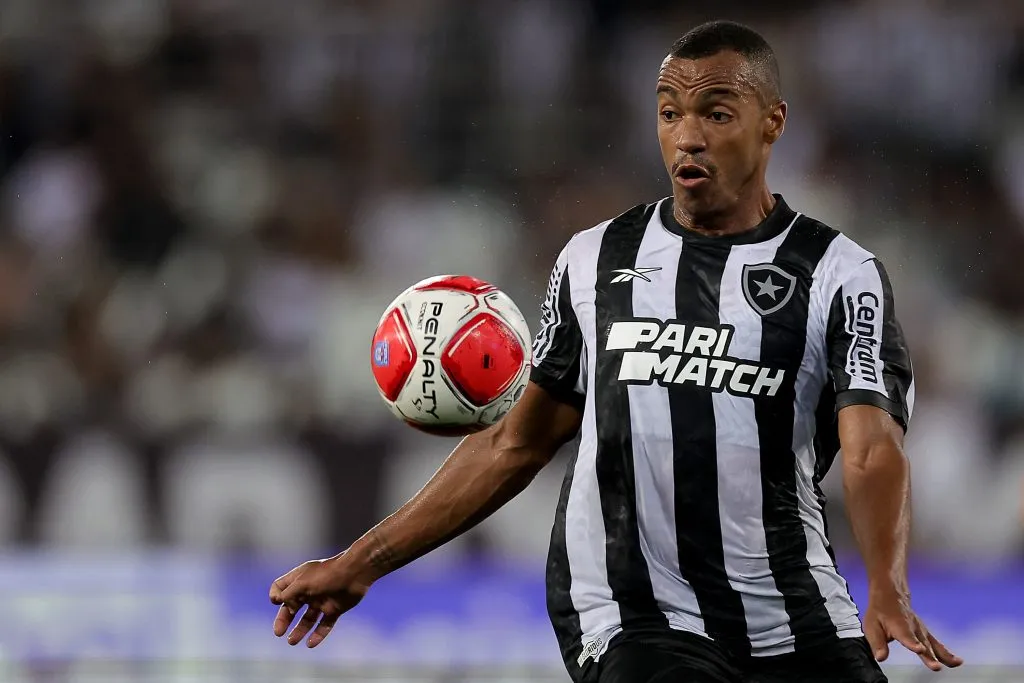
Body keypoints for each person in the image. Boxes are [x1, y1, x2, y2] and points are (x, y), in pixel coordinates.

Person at [269, 20, 964, 683]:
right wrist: (362, 561)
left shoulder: (842, 273)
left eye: (716, 114)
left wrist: (888, 584)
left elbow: (872, 449)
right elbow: (518, 441)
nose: (687, 137)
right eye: (669, 114)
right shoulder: (594, 259)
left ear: (773, 122)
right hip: (634, 614)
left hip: (794, 609)